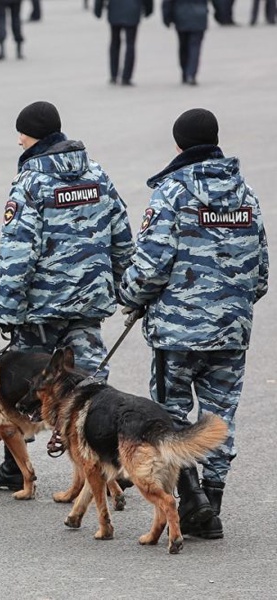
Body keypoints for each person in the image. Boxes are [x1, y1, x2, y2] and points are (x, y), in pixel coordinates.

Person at [120, 108, 269, 540]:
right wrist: (232, 305)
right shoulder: (246, 194)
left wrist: (130, 297)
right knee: (220, 416)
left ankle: (192, 496)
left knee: (169, 414)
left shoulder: (172, 192)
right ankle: (213, 505)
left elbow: (149, 266)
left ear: (180, 145)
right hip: (231, 331)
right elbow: (260, 272)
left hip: (178, 333)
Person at [0, 100, 134, 490]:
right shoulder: (97, 174)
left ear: (33, 137)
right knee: (92, 383)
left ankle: (15, 468)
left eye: (22, 135)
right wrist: (123, 287)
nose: (18, 141)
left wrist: (9, 310)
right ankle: (114, 456)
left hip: (41, 307)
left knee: (27, 382)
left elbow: (18, 254)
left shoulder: (30, 183)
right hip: (89, 301)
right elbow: (122, 238)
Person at [94, 0, 153, 86]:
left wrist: (98, 9)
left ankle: (113, 74)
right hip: (133, 10)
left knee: (114, 42)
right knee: (130, 43)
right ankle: (126, 76)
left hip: (114, 9)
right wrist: (148, 9)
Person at [162, 0, 211, 85]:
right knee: (195, 47)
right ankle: (191, 74)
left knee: (183, 46)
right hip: (199, 16)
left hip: (181, 16)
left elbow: (167, 2)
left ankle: (185, 71)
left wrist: (167, 18)